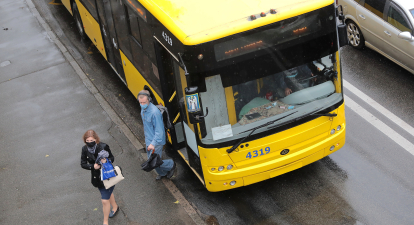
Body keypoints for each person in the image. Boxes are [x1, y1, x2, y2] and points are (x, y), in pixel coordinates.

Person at [81, 130, 119, 225]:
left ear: (96, 139)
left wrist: (105, 161)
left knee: (104, 200)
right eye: (87, 141)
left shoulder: (103, 146)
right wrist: (92, 166)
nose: (90, 142)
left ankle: (105, 222)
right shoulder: (84, 149)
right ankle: (115, 207)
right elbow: (83, 163)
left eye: (91, 140)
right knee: (108, 192)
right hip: (97, 178)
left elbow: (112, 158)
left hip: (108, 176)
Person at [138, 90, 176, 180]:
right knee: (153, 161)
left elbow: (160, 132)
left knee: (154, 162)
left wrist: (153, 144)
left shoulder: (155, 113)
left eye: (144, 102)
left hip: (156, 142)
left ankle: (171, 165)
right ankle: (163, 173)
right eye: (140, 102)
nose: (142, 104)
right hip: (149, 140)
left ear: (149, 100)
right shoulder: (144, 108)